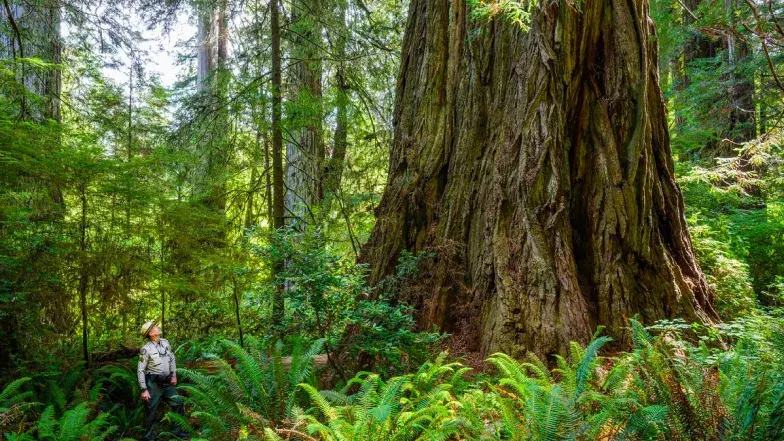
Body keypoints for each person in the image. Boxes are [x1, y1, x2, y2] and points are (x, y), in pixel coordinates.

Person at [137, 320, 189, 440]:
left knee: (178, 404)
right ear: (150, 333)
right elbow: (140, 370)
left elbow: (172, 359)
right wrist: (144, 389)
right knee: (151, 411)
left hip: (167, 383)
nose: (157, 327)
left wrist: (174, 375)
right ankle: (148, 437)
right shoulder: (146, 349)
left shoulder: (165, 342)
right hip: (153, 384)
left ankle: (177, 432)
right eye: (154, 327)